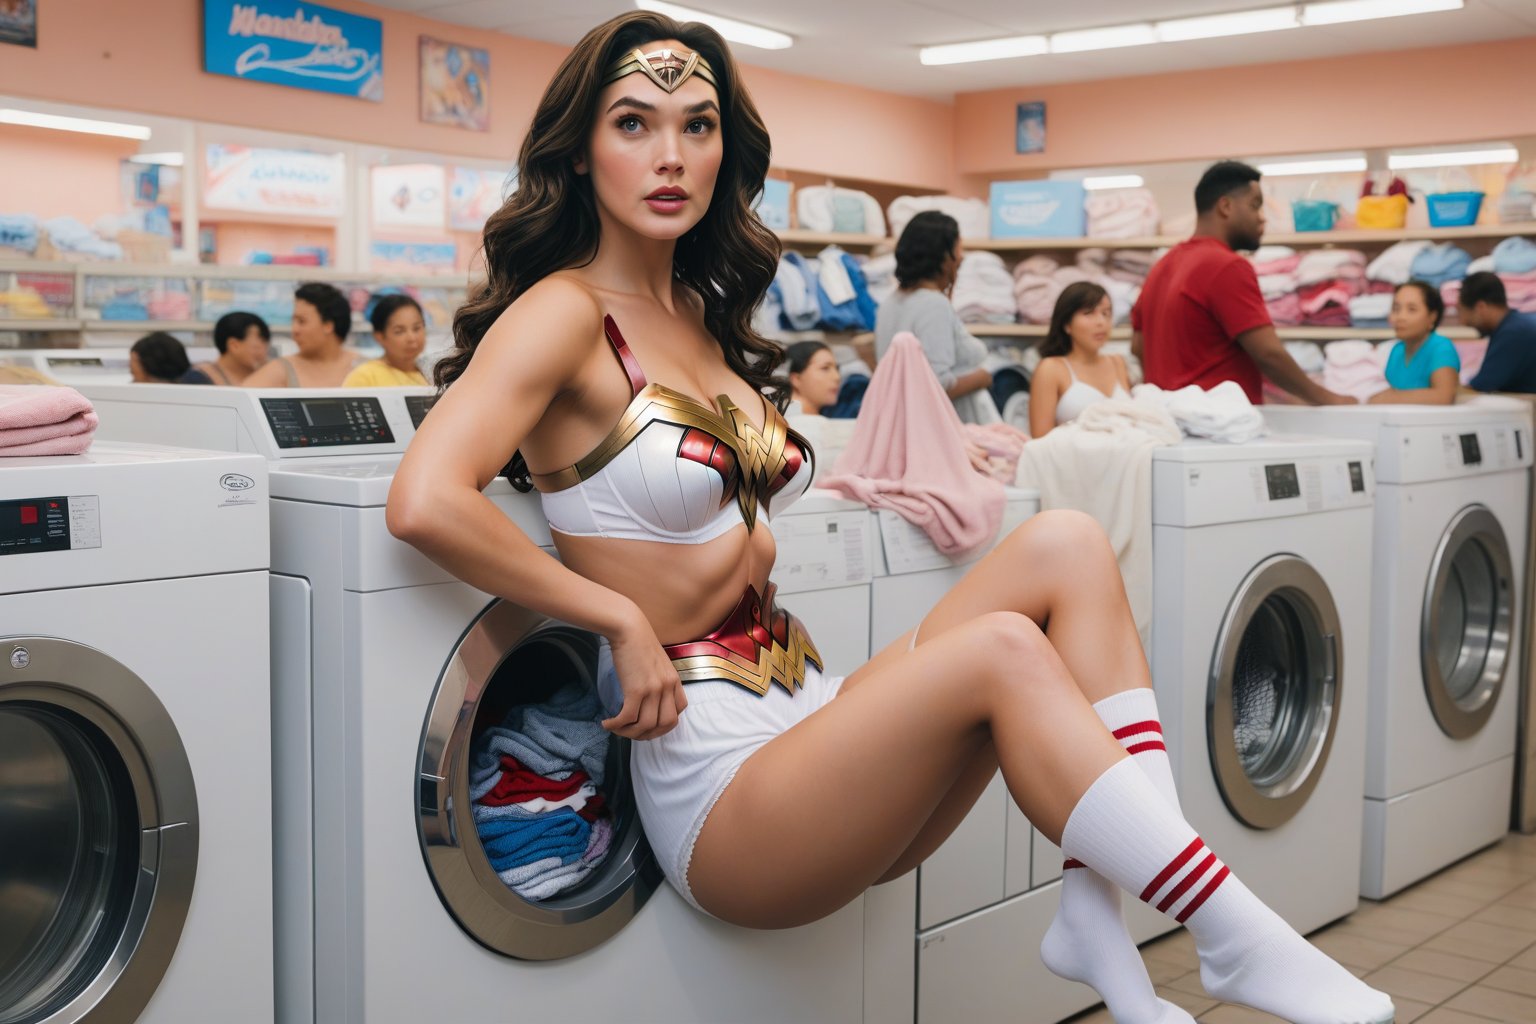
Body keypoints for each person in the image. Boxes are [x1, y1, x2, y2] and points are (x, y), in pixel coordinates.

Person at [386, 15, 1392, 1024]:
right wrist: (616, 617)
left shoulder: (697, 312)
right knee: (1002, 645)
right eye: (634, 123)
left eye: (698, 126)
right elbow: (426, 499)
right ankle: (1234, 930)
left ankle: (1096, 910)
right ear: (580, 147)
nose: (669, 156)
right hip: (721, 784)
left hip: (807, 713)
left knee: (1067, 544)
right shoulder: (564, 312)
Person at [1132, 161, 1351, 407]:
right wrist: (1328, 399)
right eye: (1255, 206)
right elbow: (1268, 354)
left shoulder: (1162, 266)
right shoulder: (1226, 266)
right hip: (1218, 428)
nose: (1262, 219)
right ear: (1225, 206)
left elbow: (1138, 346)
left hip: (1171, 424)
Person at [874, 211, 999, 424]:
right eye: (958, 247)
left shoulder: (891, 302)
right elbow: (937, 384)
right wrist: (983, 377)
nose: (961, 256)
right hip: (946, 427)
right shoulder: (933, 305)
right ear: (943, 255)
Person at [1029, 282, 1131, 436]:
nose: (1101, 322)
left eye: (1106, 313)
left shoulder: (1117, 363)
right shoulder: (1051, 369)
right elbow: (1039, 440)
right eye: (1089, 313)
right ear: (1067, 324)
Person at [243, 282, 363, 388]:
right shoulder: (282, 369)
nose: (294, 330)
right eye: (293, 321)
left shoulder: (364, 368)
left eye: (302, 321)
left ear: (328, 325)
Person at [1368, 280, 1459, 405]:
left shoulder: (1441, 348)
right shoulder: (1396, 351)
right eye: (1396, 308)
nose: (1400, 317)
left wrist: (1386, 398)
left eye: (1412, 309)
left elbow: (1444, 396)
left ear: (1432, 316)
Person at [1462, 272, 1536, 394]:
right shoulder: (1517, 324)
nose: (1463, 321)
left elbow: (1479, 388)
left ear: (1481, 307)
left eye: (1462, 311)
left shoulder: (1513, 333)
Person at [345, 295, 429, 387]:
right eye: (399, 331)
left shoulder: (433, 374)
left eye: (417, 328)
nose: (412, 338)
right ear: (379, 336)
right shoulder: (364, 376)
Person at [182, 311, 271, 385]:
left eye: (266, 346)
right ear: (234, 345)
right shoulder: (198, 378)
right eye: (257, 347)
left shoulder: (264, 376)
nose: (264, 353)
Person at [784, 340, 841, 415]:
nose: (837, 377)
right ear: (796, 379)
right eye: (825, 368)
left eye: (837, 368)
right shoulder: (789, 422)